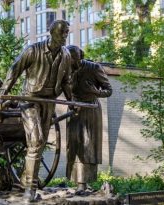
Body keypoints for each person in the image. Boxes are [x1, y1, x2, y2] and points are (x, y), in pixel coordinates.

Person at [0, 20, 72, 202]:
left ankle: (24, 181)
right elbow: (15, 69)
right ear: (51, 32)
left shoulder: (66, 55)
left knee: (41, 141)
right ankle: (30, 187)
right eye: (62, 32)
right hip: (29, 100)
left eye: (67, 33)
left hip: (48, 102)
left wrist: (72, 101)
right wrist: (2, 93)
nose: (64, 36)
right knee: (36, 141)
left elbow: (66, 81)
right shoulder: (33, 50)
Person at [66, 45, 112, 194]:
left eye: (76, 60)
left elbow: (109, 90)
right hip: (73, 109)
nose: (74, 64)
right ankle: (76, 182)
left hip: (90, 109)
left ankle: (83, 183)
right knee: (73, 145)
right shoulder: (65, 68)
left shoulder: (93, 67)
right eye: (71, 60)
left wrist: (96, 92)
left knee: (87, 146)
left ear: (81, 57)